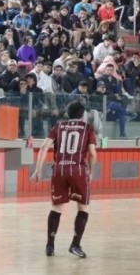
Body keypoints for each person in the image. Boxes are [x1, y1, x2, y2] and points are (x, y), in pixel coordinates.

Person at [30, 101, 97, 258]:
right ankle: (75, 245)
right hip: (78, 169)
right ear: (83, 114)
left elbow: (44, 147)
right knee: (83, 208)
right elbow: (93, 153)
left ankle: (50, 246)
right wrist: (91, 171)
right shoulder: (87, 128)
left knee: (56, 208)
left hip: (59, 169)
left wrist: (38, 171)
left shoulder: (58, 126)